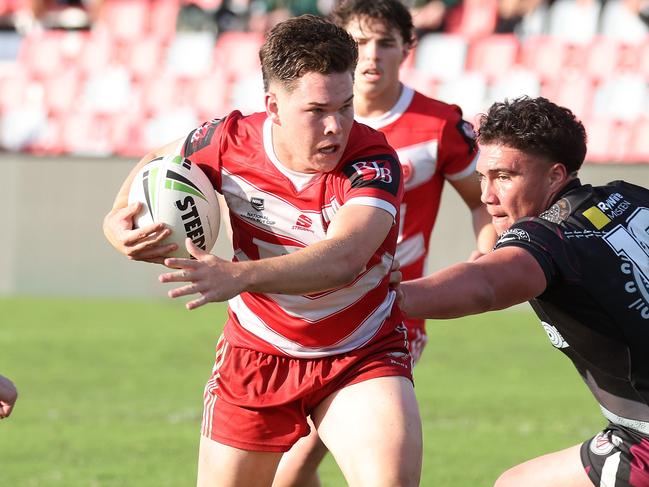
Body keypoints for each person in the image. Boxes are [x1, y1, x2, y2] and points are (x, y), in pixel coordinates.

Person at [103, 14, 422, 487]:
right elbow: (157, 161)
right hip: (257, 355)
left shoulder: (373, 162)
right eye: (317, 111)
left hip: (361, 351)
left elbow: (346, 256)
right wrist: (114, 223)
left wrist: (241, 277)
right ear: (273, 105)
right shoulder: (227, 141)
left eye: (346, 106)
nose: (336, 126)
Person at [273, 1, 496, 484]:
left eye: (385, 42)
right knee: (286, 462)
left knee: (293, 458)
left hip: (388, 310)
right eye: (358, 42)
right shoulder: (301, 121)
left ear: (407, 49)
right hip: (301, 310)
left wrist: (485, 255)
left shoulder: (437, 125)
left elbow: (485, 199)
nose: (371, 55)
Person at [399, 95, 649, 487]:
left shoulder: (548, 237)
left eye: (504, 177)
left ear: (554, 176)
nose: (487, 196)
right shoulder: (628, 197)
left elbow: (484, 288)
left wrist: (382, 299)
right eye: (483, 176)